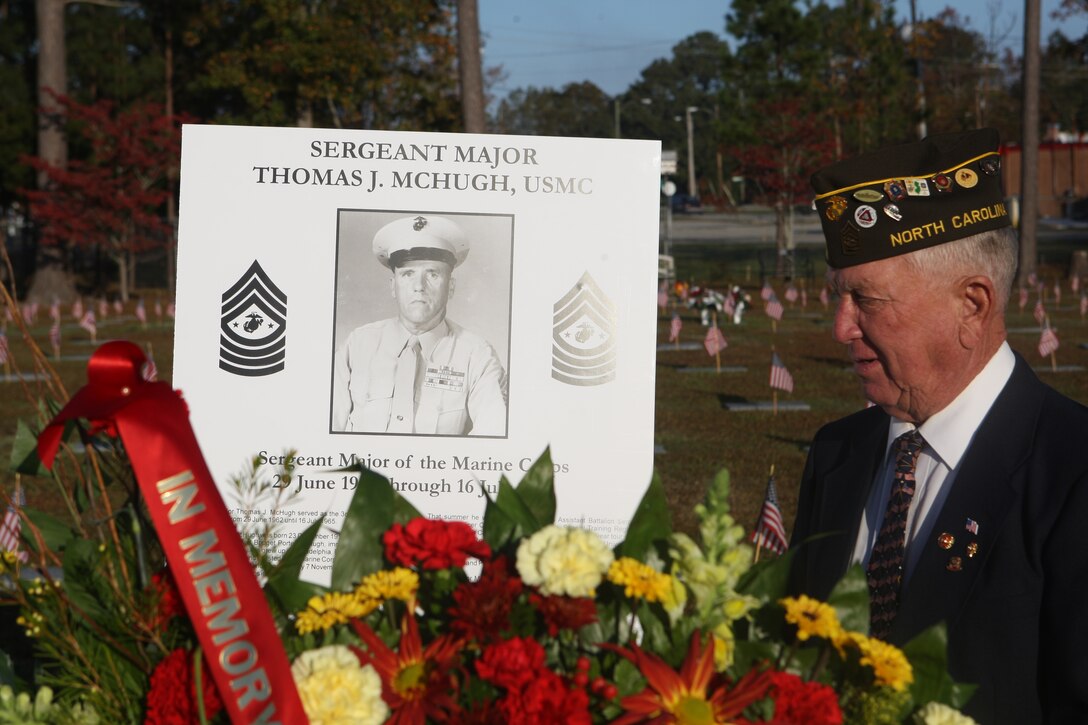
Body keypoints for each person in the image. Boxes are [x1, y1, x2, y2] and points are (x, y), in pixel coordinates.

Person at [789, 128, 1088, 723]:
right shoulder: (836, 452)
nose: (840, 328)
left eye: (867, 301)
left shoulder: (1073, 472)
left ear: (972, 305)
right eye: (837, 298)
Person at [331, 214, 508, 436]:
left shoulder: (478, 356)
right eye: (407, 274)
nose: (419, 286)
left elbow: (490, 443)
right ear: (393, 286)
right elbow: (325, 432)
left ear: (451, 287)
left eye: (432, 274)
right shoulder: (357, 345)